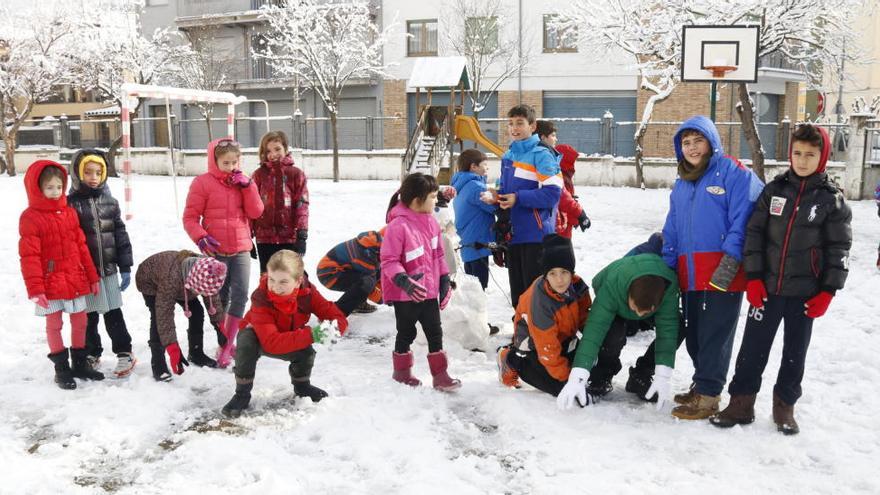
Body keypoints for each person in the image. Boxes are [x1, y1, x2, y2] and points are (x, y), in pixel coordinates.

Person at [711, 124, 852, 435]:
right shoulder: (774, 190)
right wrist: (755, 278)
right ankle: (741, 402)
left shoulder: (832, 201)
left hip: (805, 293)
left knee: (795, 353)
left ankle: (784, 406)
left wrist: (828, 291)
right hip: (767, 290)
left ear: (822, 157)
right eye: (797, 153)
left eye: (810, 155)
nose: (802, 161)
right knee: (751, 348)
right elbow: (755, 235)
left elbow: (838, 249)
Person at [661, 115, 764, 420]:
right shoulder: (682, 182)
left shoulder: (732, 172)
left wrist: (731, 262)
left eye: (698, 141)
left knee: (715, 335)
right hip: (689, 272)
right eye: (686, 142)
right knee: (695, 334)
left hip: (722, 272)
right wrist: (669, 263)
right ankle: (701, 383)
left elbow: (743, 219)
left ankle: (709, 395)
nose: (692, 148)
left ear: (711, 142)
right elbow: (673, 227)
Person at [222, 250, 348, 417]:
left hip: (287, 337)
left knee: (306, 351)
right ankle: (242, 394)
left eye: (283, 282)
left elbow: (337, 318)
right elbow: (272, 343)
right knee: (246, 341)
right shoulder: (261, 297)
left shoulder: (308, 293)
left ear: (298, 281)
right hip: (261, 338)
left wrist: (332, 329)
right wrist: (312, 334)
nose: (275, 287)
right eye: (272, 280)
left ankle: (302, 386)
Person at [555, 252, 681, 411]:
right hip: (615, 296)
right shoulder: (612, 287)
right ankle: (600, 377)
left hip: (643, 299)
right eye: (635, 308)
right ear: (629, 295)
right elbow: (593, 334)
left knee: (679, 328)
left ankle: (641, 375)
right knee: (613, 334)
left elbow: (668, 331)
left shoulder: (668, 289)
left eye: (643, 313)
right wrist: (577, 378)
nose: (637, 315)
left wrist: (663, 376)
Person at [19, 160, 103, 389]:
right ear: (37, 189)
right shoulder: (30, 217)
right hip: (50, 282)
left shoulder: (69, 212)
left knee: (80, 322)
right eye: (49, 188)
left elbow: (81, 246)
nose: (55, 192)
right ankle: (61, 369)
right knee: (54, 324)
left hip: (75, 277)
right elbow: (30, 257)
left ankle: (79, 363)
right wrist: (35, 289)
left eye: (58, 186)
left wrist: (93, 276)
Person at [183, 138, 264, 368]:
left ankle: (227, 346)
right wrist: (200, 236)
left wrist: (248, 187)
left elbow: (256, 212)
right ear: (214, 161)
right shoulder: (202, 183)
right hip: (216, 250)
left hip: (241, 248)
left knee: (240, 295)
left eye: (234, 162)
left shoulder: (244, 181)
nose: (231, 167)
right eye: (225, 162)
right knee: (220, 299)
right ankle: (223, 340)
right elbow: (190, 217)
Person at [381, 173, 459, 391]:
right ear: (417, 201)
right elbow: (388, 261)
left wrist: (443, 279)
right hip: (406, 295)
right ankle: (402, 373)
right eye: (433, 197)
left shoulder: (431, 223)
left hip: (429, 291)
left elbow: (438, 255)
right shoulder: (398, 227)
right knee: (406, 332)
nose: (436, 201)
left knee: (435, 331)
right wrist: (403, 281)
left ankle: (441, 375)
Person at [66, 150, 137, 378]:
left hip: (107, 271)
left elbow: (120, 235)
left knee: (113, 312)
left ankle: (124, 351)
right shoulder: (69, 204)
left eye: (98, 172)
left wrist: (125, 267)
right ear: (77, 173)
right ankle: (91, 352)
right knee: (89, 315)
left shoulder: (110, 202)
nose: (93, 177)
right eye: (88, 172)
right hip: (83, 273)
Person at [496, 235, 592, 399]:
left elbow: (586, 320)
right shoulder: (541, 302)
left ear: (572, 272)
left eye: (564, 272)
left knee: (589, 375)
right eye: (552, 273)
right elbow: (548, 350)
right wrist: (568, 381)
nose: (559, 279)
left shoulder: (578, 287)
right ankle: (511, 359)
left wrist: (590, 353)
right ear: (545, 275)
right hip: (534, 345)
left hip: (564, 338)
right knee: (561, 389)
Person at [496, 106, 562, 309]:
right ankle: (521, 334)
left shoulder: (541, 155)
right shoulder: (508, 155)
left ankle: (537, 337)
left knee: (535, 294)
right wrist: (496, 196)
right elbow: (505, 189)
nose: (514, 128)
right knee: (518, 293)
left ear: (532, 126)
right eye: (510, 123)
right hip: (514, 234)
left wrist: (518, 198)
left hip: (536, 234)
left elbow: (553, 194)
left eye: (519, 123)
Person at [135, 250, 227, 381]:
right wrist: (173, 349)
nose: (202, 293)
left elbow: (212, 297)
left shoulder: (208, 268)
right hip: (150, 282)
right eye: (199, 291)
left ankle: (196, 353)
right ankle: (158, 364)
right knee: (157, 318)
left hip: (182, 283)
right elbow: (164, 316)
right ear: (193, 282)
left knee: (196, 311)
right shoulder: (170, 278)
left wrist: (219, 325)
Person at [251, 131, 309, 272]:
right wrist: (248, 237)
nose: (273, 154)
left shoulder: (295, 174)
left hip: (289, 237)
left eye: (277, 149)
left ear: (286, 149)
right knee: (267, 277)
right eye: (268, 151)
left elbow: (302, 204)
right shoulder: (259, 175)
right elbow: (250, 207)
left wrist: (301, 234)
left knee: (289, 276)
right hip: (264, 238)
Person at [451, 149, 496, 291]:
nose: (487, 168)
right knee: (479, 288)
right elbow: (495, 207)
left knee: (472, 288)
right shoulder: (476, 187)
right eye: (484, 165)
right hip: (479, 244)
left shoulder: (461, 185)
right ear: (473, 166)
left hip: (468, 242)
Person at [317, 229, 384, 315]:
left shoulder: (371, 244)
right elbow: (369, 285)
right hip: (328, 275)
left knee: (374, 273)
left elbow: (377, 276)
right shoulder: (365, 257)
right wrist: (383, 298)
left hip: (339, 270)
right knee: (365, 282)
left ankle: (358, 304)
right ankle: (334, 314)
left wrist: (388, 292)